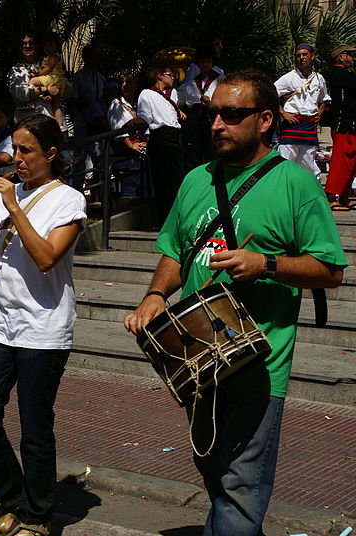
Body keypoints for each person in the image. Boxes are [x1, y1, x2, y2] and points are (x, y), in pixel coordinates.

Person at [123, 70, 346, 535]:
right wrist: (155, 294)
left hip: (258, 361)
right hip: (198, 358)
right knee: (214, 471)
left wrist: (265, 264)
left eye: (232, 114)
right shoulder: (195, 180)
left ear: (265, 119)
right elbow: (174, 250)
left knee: (239, 487)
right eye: (212, 114)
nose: (217, 124)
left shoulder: (296, 185)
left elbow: (331, 270)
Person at [0, 115, 87, 536]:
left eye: (26, 150)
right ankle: (13, 498)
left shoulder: (68, 199)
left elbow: (48, 257)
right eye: (14, 149)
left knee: (35, 426)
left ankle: (38, 515)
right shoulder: (2, 197)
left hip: (43, 326)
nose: (17, 158)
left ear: (51, 154)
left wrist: (14, 205)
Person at [138, 66, 187, 225]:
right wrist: (133, 123)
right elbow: (146, 117)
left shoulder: (173, 93)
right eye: (170, 75)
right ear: (160, 76)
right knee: (162, 180)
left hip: (175, 136)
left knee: (178, 178)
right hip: (160, 136)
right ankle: (165, 219)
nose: (173, 78)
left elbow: (171, 111)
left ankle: (179, 217)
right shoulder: (147, 94)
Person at [274, 43, 330, 181]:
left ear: (312, 57)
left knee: (309, 165)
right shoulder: (289, 78)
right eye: (298, 55)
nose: (301, 58)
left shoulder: (319, 79)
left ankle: (309, 195)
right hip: (291, 126)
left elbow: (324, 99)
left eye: (305, 54)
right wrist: (283, 113)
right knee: (285, 162)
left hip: (309, 127)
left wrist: (319, 114)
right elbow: (269, 94)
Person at [323, 44, 356, 210]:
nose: (352, 57)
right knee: (339, 161)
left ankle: (343, 195)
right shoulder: (341, 74)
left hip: (349, 124)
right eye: (350, 54)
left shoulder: (344, 75)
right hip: (343, 124)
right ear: (341, 57)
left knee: (350, 161)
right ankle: (331, 195)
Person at [178, 46, 222, 168]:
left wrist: (211, 103)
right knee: (194, 152)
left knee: (212, 151)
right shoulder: (191, 83)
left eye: (208, 61)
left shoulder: (219, 80)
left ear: (213, 63)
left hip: (212, 117)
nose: (205, 64)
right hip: (195, 119)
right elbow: (179, 101)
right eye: (202, 62)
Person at [107, 74, 148, 197]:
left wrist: (145, 142)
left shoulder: (139, 103)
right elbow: (118, 129)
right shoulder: (116, 104)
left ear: (135, 85)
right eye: (122, 82)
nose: (125, 85)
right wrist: (131, 146)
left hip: (141, 150)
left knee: (144, 185)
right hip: (125, 153)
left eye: (129, 82)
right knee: (129, 185)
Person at [8, 34, 54, 123]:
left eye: (31, 43)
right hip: (28, 124)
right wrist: (47, 89)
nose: (28, 46)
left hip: (51, 120)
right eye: (24, 43)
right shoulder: (16, 71)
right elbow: (21, 93)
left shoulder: (48, 65)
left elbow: (66, 88)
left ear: (37, 46)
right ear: (20, 48)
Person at [28, 32, 68, 130]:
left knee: (32, 82)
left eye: (50, 45)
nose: (47, 47)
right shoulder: (51, 56)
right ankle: (59, 125)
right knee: (56, 104)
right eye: (45, 45)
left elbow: (48, 69)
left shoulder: (53, 56)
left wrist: (38, 74)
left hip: (52, 78)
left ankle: (37, 97)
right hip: (57, 80)